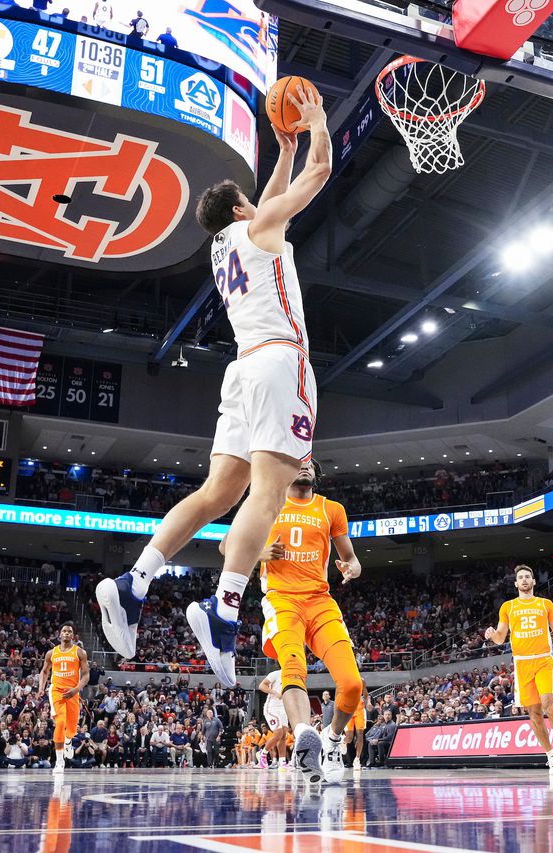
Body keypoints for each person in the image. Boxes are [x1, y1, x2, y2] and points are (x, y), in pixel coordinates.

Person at [95, 86, 332, 687]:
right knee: (271, 494)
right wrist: (318, 125)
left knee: (217, 493)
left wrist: (281, 152)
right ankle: (222, 608)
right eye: (252, 201)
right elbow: (322, 170)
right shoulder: (258, 230)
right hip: (280, 363)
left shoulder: (226, 245)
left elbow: (269, 204)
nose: (262, 203)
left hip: (242, 370)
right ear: (238, 211)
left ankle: (136, 581)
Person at [252, 457, 364, 783]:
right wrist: (259, 552)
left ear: (316, 473)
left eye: (310, 464)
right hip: (281, 600)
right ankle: (304, 739)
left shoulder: (332, 509)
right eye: (297, 462)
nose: (304, 467)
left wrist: (353, 567)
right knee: (292, 665)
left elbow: (351, 559)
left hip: (320, 601)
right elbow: (225, 546)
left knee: (352, 684)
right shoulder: (266, 502)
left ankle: (330, 740)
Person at [484, 565, 553, 776]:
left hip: (543, 660)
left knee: (549, 705)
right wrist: (491, 634)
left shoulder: (545, 604)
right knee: (534, 713)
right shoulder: (508, 606)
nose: (525, 580)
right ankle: (551, 757)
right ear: (516, 583)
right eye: (521, 578)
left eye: (528, 577)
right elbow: (500, 637)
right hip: (522, 663)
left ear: (534, 581)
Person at [38, 624, 90, 776]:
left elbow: (86, 675)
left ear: (73, 636)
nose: (67, 633)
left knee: (73, 729)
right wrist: (41, 687)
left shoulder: (79, 652)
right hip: (56, 692)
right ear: (59, 634)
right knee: (60, 723)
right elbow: (44, 671)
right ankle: (59, 762)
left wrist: (76, 689)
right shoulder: (51, 653)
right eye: (64, 631)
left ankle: (68, 741)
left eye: (70, 631)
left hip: (73, 692)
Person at [258, 668, 290, 769]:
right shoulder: (276, 673)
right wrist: (274, 693)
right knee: (278, 733)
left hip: (284, 708)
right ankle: (263, 754)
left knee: (284, 735)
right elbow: (261, 686)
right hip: (272, 707)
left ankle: (282, 762)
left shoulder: (292, 676)